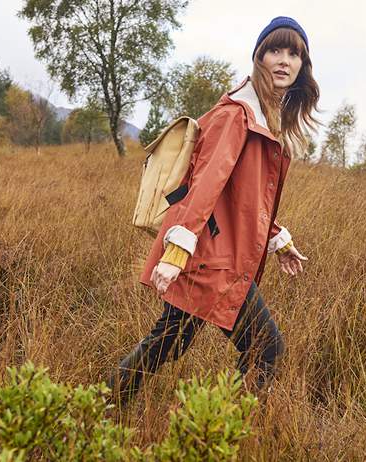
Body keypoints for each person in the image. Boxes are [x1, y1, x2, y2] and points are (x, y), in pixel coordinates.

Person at [108, 16, 319, 407]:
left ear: (303, 66)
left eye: (294, 54)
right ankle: (218, 427)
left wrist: (278, 238)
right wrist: (176, 253)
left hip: (216, 255)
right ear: (259, 56)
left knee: (166, 344)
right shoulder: (235, 116)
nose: (284, 60)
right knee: (265, 349)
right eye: (275, 49)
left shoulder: (265, 120)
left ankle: (104, 407)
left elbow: (243, 199)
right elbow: (204, 188)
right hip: (208, 258)